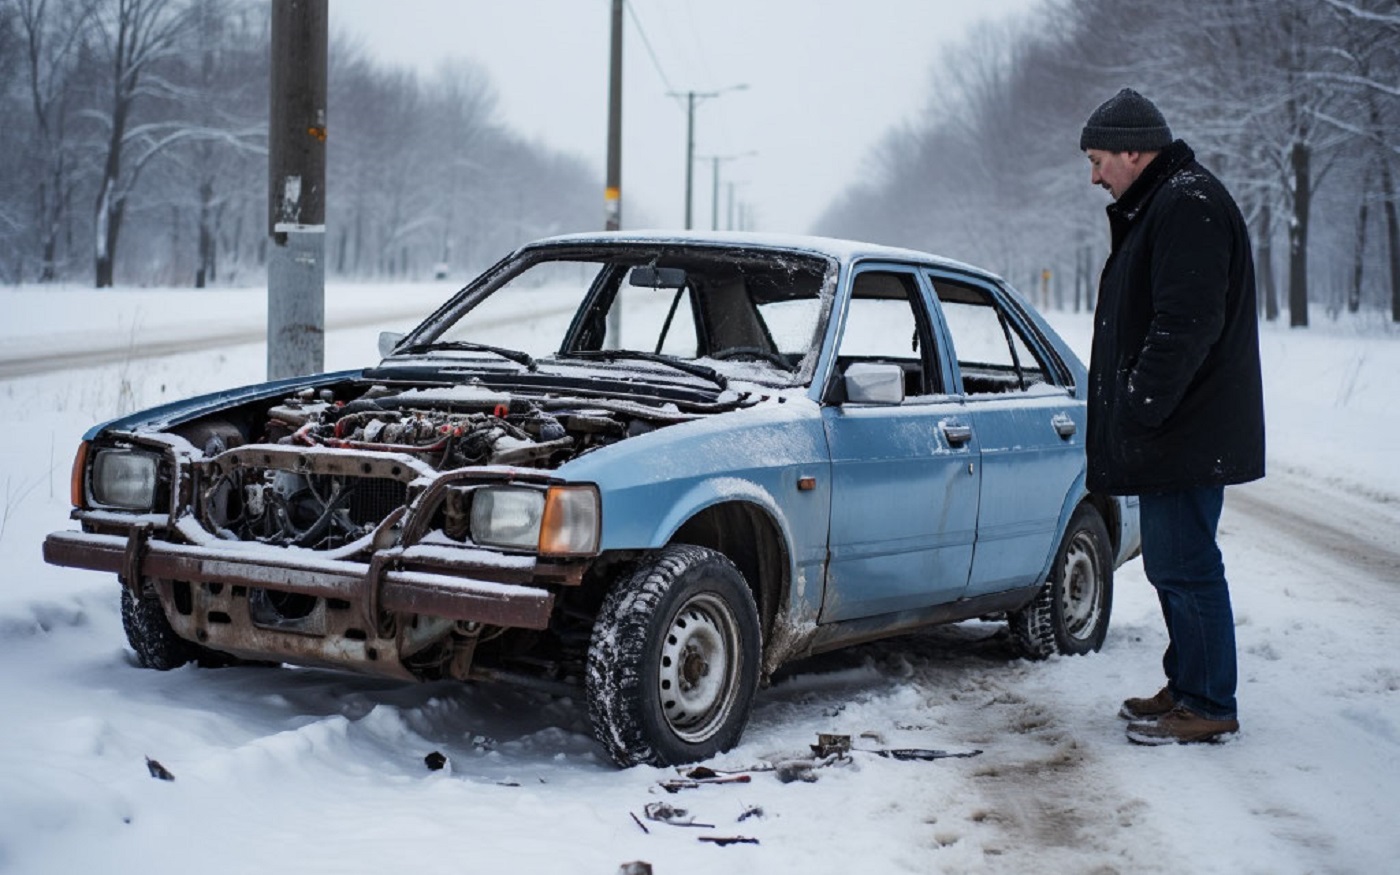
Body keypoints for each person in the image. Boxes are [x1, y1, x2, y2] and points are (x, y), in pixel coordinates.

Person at [1079, 88, 1265, 745]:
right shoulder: (1168, 200)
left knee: (1186, 565)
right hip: (1178, 427)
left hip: (1185, 427)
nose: (1094, 176)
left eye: (1098, 160)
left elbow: (1186, 323)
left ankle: (1209, 700)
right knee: (1172, 562)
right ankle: (1188, 683)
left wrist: (1141, 405)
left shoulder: (1187, 203)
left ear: (1133, 151)